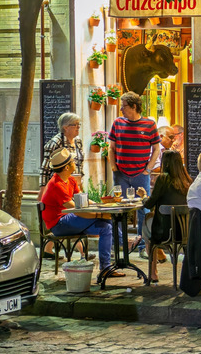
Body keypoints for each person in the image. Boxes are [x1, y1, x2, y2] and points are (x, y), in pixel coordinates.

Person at [41, 148, 122, 277]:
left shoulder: (71, 180)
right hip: (59, 225)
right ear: (67, 167)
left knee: (106, 227)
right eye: (72, 161)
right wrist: (99, 213)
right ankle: (123, 242)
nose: (75, 162)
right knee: (104, 218)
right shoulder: (56, 185)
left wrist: (98, 205)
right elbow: (77, 209)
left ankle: (105, 268)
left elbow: (82, 200)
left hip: (72, 220)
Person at [109, 91, 161, 259]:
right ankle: (119, 245)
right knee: (118, 209)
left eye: (123, 106)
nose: (121, 109)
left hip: (141, 173)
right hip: (121, 174)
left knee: (144, 210)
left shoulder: (149, 124)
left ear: (133, 106)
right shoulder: (117, 123)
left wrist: (148, 169)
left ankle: (142, 248)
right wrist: (113, 167)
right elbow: (111, 147)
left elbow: (156, 149)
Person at [38, 112, 88, 260]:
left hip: (74, 182)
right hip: (60, 185)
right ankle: (82, 252)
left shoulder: (77, 141)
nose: (78, 127)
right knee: (70, 214)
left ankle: (49, 249)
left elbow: (79, 162)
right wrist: (42, 190)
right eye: (75, 125)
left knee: (72, 213)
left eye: (79, 124)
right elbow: (45, 168)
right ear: (65, 127)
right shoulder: (55, 143)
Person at [136, 150, 192, 283]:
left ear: (165, 163)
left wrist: (143, 195)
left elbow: (149, 204)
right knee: (150, 221)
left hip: (164, 232)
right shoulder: (187, 180)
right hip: (184, 232)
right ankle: (162, 255)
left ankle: (153, 272)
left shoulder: (163, 178)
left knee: (146, 224)